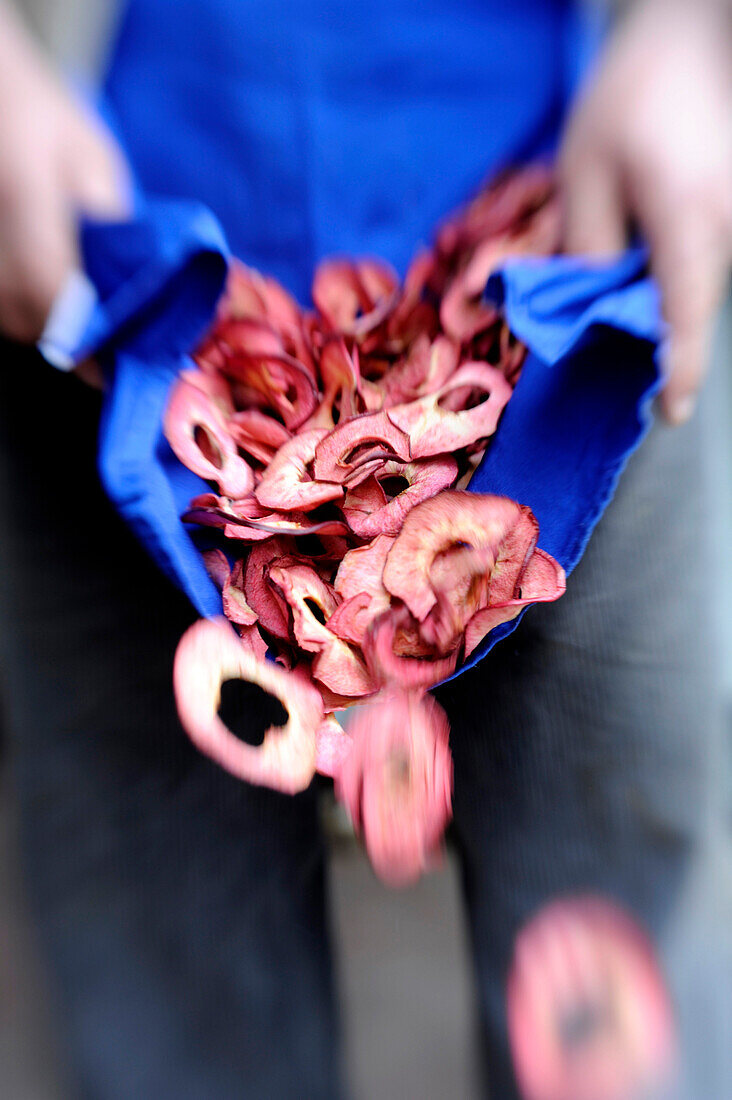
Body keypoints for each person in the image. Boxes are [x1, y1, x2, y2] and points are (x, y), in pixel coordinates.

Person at [0, 0, 729, 1096]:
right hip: (86, 285)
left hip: (586, 276)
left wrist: (696, 36)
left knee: (628, 1031)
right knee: (174, 1030)